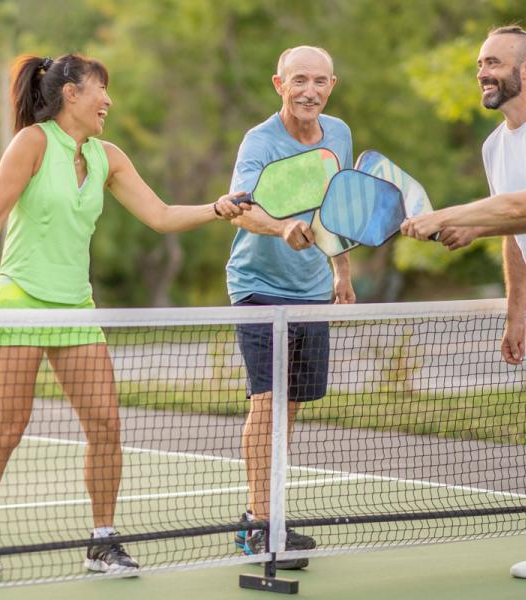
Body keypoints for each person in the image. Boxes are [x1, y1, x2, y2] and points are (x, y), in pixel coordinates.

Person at [0, 53, 246, 577]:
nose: (108, 100)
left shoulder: (108, 157)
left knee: (106, 425)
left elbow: (161, 215)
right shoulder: (32, 143)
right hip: (20, 301)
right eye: (100, 89)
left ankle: (102, 542)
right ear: (71, 94)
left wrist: (216, 209)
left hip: (76, 307)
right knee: (10, 427)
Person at [399, 25, 526, 578]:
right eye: (480, 63)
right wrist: (516, 309)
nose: (482, 73)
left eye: (495, 62)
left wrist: (448, 215)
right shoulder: (495, 144)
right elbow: (514, 226)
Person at [226, 46, 356, 570]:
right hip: (258, 286)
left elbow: (339, 202)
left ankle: (268, 511)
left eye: (319, 81)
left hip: (311, 289)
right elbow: (238, 209)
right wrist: (281, 226)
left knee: (292, 404)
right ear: (278, 83)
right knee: (267, 401)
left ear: (332, 84)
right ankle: (261, 524)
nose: (309, 91)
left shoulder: (339, 134)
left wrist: (341, 272)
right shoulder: (260, 141)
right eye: (299, 80)